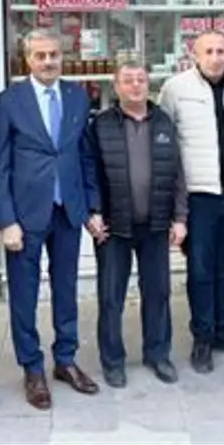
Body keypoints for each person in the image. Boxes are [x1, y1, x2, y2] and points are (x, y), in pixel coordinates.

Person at [0, 28, 101, 410]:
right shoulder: (9, 102)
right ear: (28, 60)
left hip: (67, 210)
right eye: (40, 56)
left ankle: (66, 359)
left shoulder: (77, 96)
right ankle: (32, 367)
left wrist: (91, 208)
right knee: (24, 294)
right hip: (25, 215)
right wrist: (6, 220)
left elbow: (84, 156)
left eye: (54, 54)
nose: (49, 61)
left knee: (66, 288)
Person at [158, 30, 224, 373]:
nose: (216, 58)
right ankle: (203, 336)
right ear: (195, 55)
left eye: (222, 51)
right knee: (201, 271)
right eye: (209, 51)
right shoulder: (175, 89)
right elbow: (166, 142)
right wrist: (174, 206)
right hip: (198, 197)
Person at [86, 61, 188, 388]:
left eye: (141, 79)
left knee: (157, 293)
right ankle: (113, 361)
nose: (135, 85)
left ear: (148, 84)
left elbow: (178, 173)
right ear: (116, 87)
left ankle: (158, 354)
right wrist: (93, 212)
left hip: (155, 224)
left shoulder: (164, 121)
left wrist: (180, 218)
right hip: (113, 226)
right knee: (111, 297)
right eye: (127, 80)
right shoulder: (101, 125)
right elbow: (89, 172)